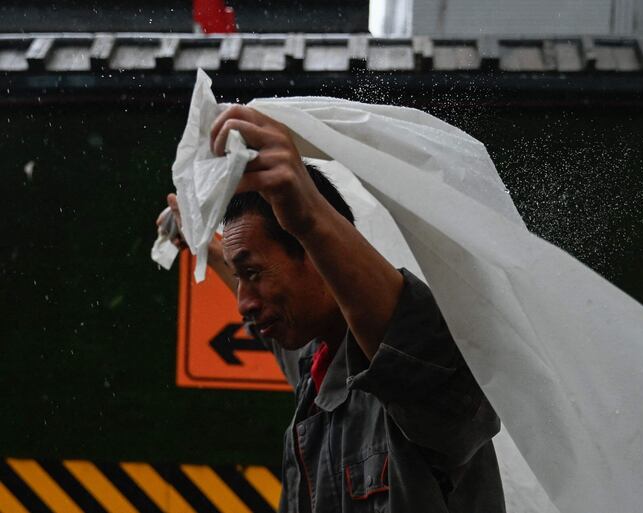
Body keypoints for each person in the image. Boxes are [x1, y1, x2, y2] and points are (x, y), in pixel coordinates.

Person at [158, 105, 505, 512]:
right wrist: (205, 246)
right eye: (241, 277)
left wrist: (307, 212)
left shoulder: (423, 376)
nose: (243, 304)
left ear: (314, 252)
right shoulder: (315, 368)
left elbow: (405, 336)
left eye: (253, 273)